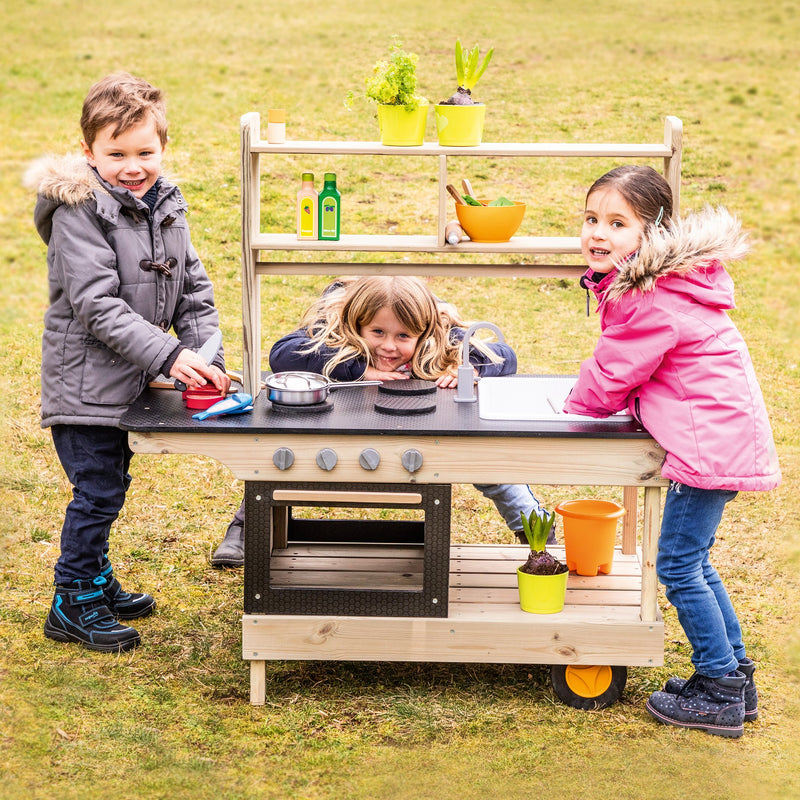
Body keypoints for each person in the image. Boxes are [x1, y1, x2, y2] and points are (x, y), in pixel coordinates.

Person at [564, 165, 780, 738]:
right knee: (696, 561)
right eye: (592, 220)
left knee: (680, 564)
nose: (598, 234)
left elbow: (612, 374)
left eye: (617, 223)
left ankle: (718, 688)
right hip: (718, 436)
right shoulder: (666, 284)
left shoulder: (650, 298)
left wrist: (571, 404)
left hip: (709, 445)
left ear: (653, 233)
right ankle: (734, 678)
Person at [27, 73, 231, 652]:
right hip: (85, 384)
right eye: (116, 154)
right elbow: (96, 305)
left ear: (163, 149)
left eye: (145, 152)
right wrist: (170, 354)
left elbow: (191, 284)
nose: (132, 166)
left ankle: (95, 579)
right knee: (96, 491)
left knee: (111, 482)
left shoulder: (162, 202)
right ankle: (72, 600)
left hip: (129, 377)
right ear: (89, 153)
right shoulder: (79, 211)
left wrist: (204, 353)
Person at [211, 275, 551, 566]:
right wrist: (358, 368)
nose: (388, 346)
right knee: (284, 451)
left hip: (422, 425)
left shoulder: (439, 334)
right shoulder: (335, 326)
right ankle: (245, 527)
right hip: (340, 421)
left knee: (483, 455)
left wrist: (471, 368)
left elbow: (506, 357)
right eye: (377, 333)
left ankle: (533, 526)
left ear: (422, 333)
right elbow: (283, 353)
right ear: (357, 324)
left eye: (403, 337)